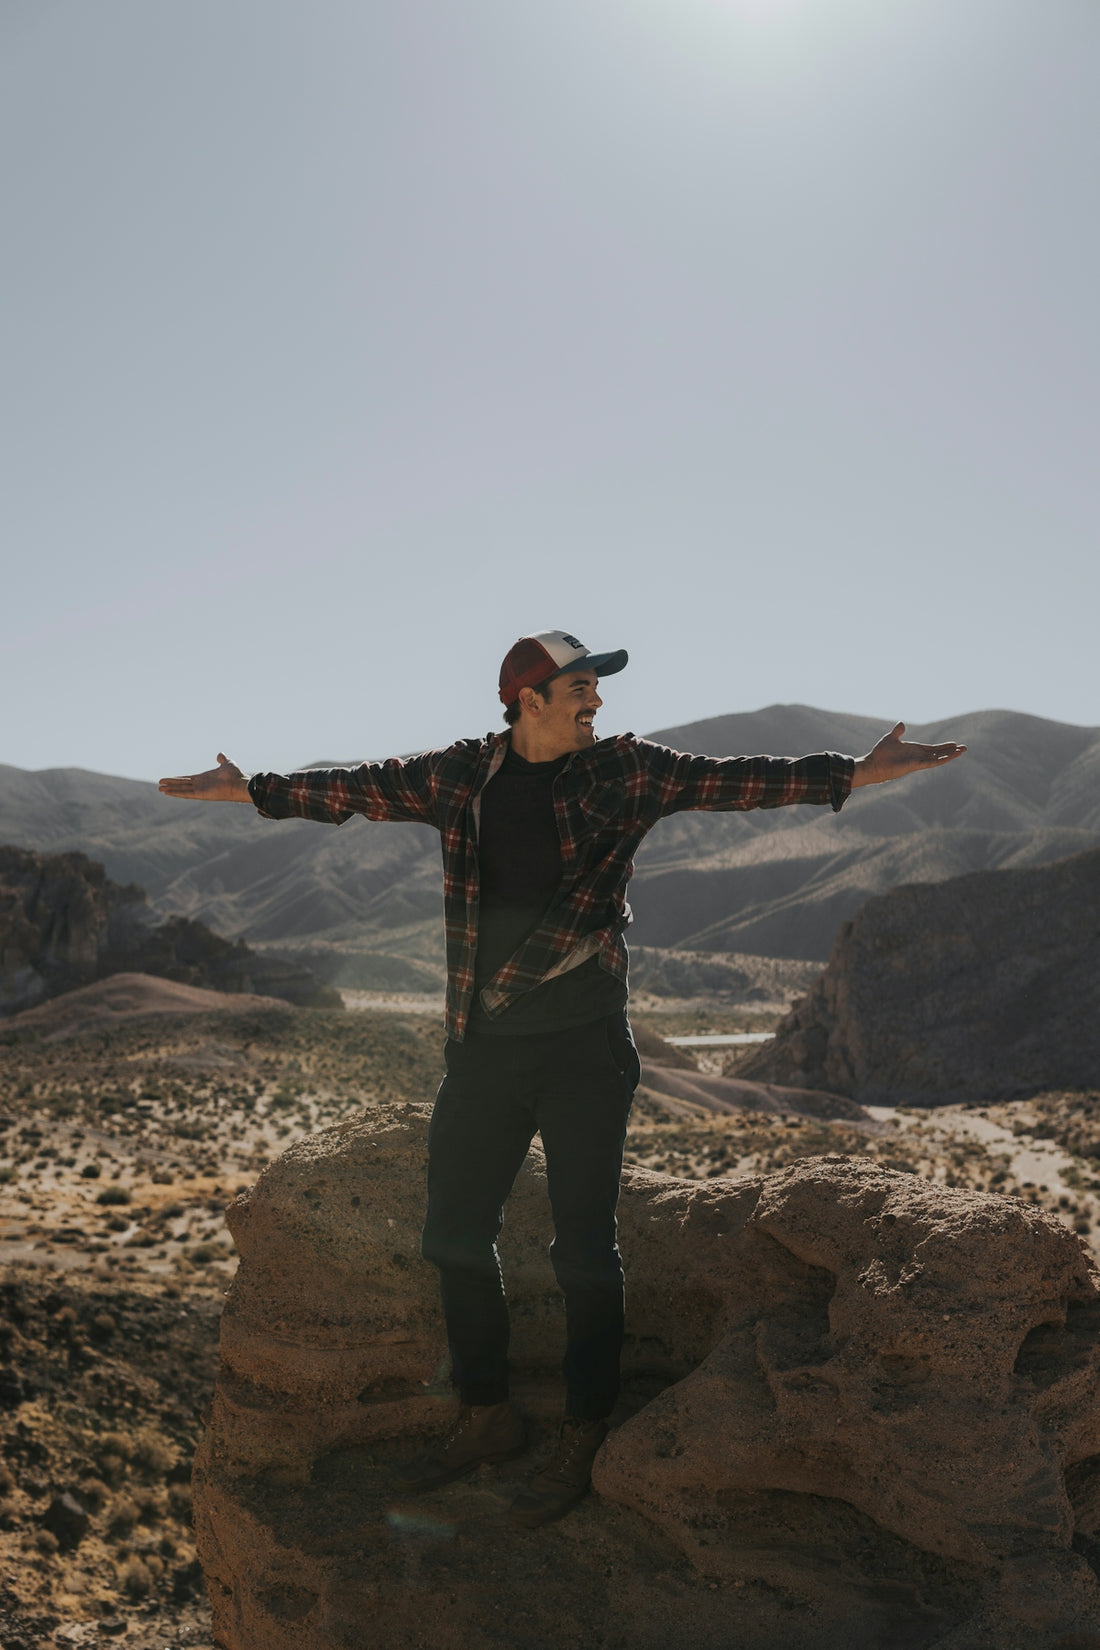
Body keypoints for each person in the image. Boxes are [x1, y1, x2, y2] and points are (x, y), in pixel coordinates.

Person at [158, 628, 965, 1526]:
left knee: (584, 1253)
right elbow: (355, 789)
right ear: (529, 700)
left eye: (596, 687)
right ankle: (484, 1416)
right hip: (483, 1048)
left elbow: (736, 780)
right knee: (453, 1237)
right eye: (582, 687)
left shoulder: (627, 771)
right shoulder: (460, 776)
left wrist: (852, 773)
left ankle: (584, 1430)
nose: (598, 701)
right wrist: (253, 790)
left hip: (585, 1048)